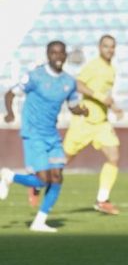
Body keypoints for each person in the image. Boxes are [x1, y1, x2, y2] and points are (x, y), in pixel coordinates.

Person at [0, 41, 88, 232]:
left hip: (51, 134)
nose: (58, 56)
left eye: (61, 53)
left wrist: (82, 111)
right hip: (33, 133)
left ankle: (39, 221)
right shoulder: (35, 76)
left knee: (57, 178)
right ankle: (9, 176)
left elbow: (73, 106)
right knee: (42, 180)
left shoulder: (69, 82)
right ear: (48, 55)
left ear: (66, 55)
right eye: (53, 53)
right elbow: (10, 93)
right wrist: (10, 113)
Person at [62, 34, 124, 215]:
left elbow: (105, 95)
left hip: (101, 123)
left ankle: (102, 200)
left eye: (112, 46)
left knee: (114, 156)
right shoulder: (94, 65)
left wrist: (113, 107)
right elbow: (78, 84)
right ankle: (35, 182)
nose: (109, 50)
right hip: (85, 121)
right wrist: (100, 97)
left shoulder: (111, 69)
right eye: (106, 46)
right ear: (99, 47)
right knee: (62, 162)